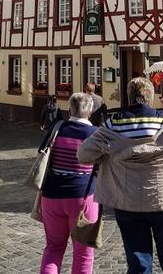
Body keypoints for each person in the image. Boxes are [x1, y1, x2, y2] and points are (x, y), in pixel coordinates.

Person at [78, 77, 163, 274]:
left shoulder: (110, 126)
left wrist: (109, 154)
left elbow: (83, 154)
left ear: (129, 97)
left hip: (127, 201)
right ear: (150, 98)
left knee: (138, 263)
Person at [39, 92, 98, 274]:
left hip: (52, 196)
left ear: (69, 109)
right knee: (83, 253)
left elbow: (41, 153)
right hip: (82, 197)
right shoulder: (95, 134)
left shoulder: (57, 128)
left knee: (53, 249)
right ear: (90, 112)